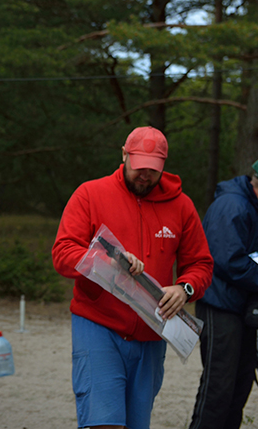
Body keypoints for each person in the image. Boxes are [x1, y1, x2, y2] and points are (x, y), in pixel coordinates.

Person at [52, 126, 213, 429]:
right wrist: (108, 262)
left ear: (164, 165)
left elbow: (201, 264)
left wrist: (185, 288)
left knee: (137, 423)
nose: (145, 175)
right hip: (98, 323)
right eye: (139, 166)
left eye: (153, 169)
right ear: (124, 155)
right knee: (104, 423)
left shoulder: (182, 206)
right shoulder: (90, 194)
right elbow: (62, 253)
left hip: (152, 331)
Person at [189, 162, 258, 429]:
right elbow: (228, 260)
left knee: (240, 386)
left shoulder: (251, 205)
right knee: (219, 387)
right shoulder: (232, 205)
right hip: (220, 305)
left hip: (242, 308)